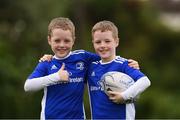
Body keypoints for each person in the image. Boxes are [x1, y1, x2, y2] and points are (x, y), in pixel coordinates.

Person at [24, 17, 139, 119]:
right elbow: (28, 86)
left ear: (73, 40)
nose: (62, 45)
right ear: (49, 40)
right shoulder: (47, 63)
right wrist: (56, 77)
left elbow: (107, 58)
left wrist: (128, 63)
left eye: (67, 41)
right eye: (57, 40)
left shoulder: (82, 57)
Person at [87, 20, 151, 119]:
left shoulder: (124, 64)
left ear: (116, 42)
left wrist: (124, 96)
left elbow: (145, 81)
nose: (102, 45)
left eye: (107, 41)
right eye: (98, 42)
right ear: (93, 43)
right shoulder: (91, 67)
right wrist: (53, 58)